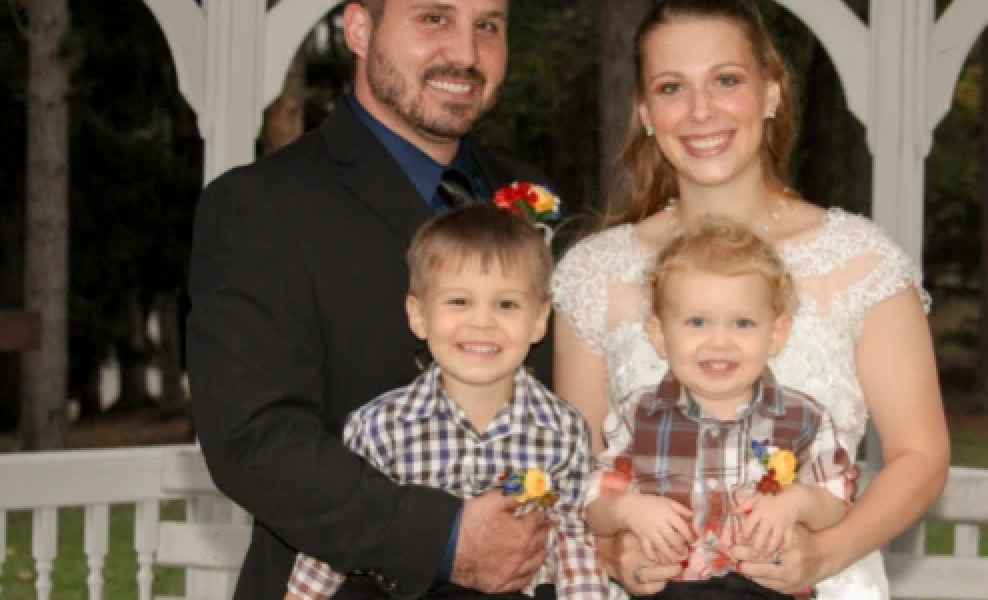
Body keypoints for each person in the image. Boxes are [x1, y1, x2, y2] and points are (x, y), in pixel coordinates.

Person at [550, 0, 950, 597]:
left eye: (727, 80)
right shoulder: (594, 273)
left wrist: (824, 553)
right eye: (671, 87)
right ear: (645, 112)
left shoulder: (860, 261)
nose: (701, 110)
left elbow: (921, 456)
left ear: (771, 92)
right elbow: (577, 470)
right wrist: (617, 551)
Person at [187, 1, 558, 598]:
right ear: (359, 29)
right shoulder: (262, 205)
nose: (465, 53)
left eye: (487, 25)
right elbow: (254, 439)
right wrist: (444, 539)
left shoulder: (537, 195)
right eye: (434, 18)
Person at [283, 205, 605, 600]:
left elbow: (573, 541)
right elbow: (339, 537)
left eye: (506, 304)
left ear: (539, 321)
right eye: (459, 302)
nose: (482, 322)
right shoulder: (379, 426)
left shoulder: (563, 430)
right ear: (418, 315)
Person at [584, 217, 857, 600]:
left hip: (766, 585)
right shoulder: (638, 415)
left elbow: (837, 500)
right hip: (669, 587)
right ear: (660, 334)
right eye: (696, 322)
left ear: (776, 334)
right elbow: (595, 505)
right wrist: (628, 511)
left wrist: (798, 502)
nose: (719, 341)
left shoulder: (803, 418)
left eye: (743, 323)